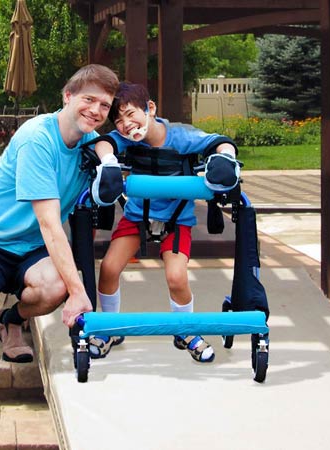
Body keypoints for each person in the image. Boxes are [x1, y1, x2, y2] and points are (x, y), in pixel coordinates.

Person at [0, 64, 120, 364]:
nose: (96, 110)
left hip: (33, 249)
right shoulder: (38, 138)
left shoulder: (89, 144)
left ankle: (10, 321)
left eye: (104, 105)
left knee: (55, 287)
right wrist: (79, 293)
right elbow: (50, 224)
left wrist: (110, 159)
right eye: (89, 99)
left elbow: (119, 138)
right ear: (67, 96)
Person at [87, 82, 240, 363]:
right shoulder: (126, 140)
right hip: (136, 217)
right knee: (108, 267)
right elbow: (103, 142)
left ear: (150, 109)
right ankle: (109, 327)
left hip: (176, 220)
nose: (125, 124)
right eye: (119, 120)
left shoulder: (181, 137)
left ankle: (185, 330)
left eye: (131, 114)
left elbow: (220, 140)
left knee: (176, 277)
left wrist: (225, 158)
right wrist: (108, 160)